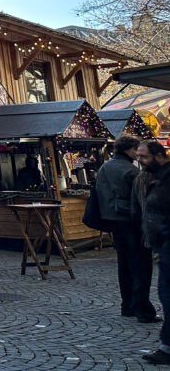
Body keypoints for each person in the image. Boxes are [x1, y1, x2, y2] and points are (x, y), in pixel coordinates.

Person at [97, 135, 158, 322]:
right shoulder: (130, 170)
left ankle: (128, 305)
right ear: (128, 149)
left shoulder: (105, 167)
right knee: (141, 265)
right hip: (131, 221)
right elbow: (142, 198)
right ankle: (142, 309)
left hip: (114, 221)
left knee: (124, 264)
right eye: (136, 150)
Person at [136, 140, 170, 365]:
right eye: (138, 156)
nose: (140, 161)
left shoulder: (166, 180)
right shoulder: (157, 178)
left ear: (159, 156)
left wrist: (163, 235)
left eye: (144, 157)